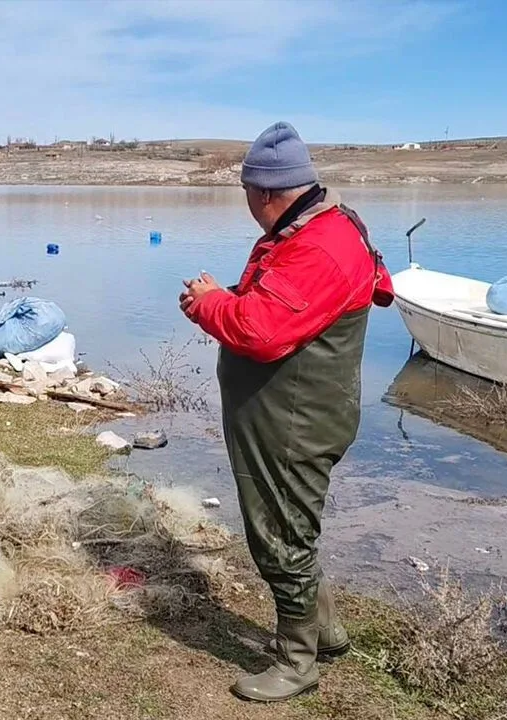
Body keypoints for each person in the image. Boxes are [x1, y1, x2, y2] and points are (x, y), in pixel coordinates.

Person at [179, 121, 395, 702]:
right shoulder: (311, 229)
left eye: (248, 194)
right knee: (292, 524)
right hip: (289, 413)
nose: (247, 205)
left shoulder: (320, 244)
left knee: (279, 536)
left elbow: (261, 330)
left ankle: (297, 662)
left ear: (267, 192)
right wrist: (220, 296)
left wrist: (208, 305)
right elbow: (279, 305)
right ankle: (324, 634)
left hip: (294, 421)